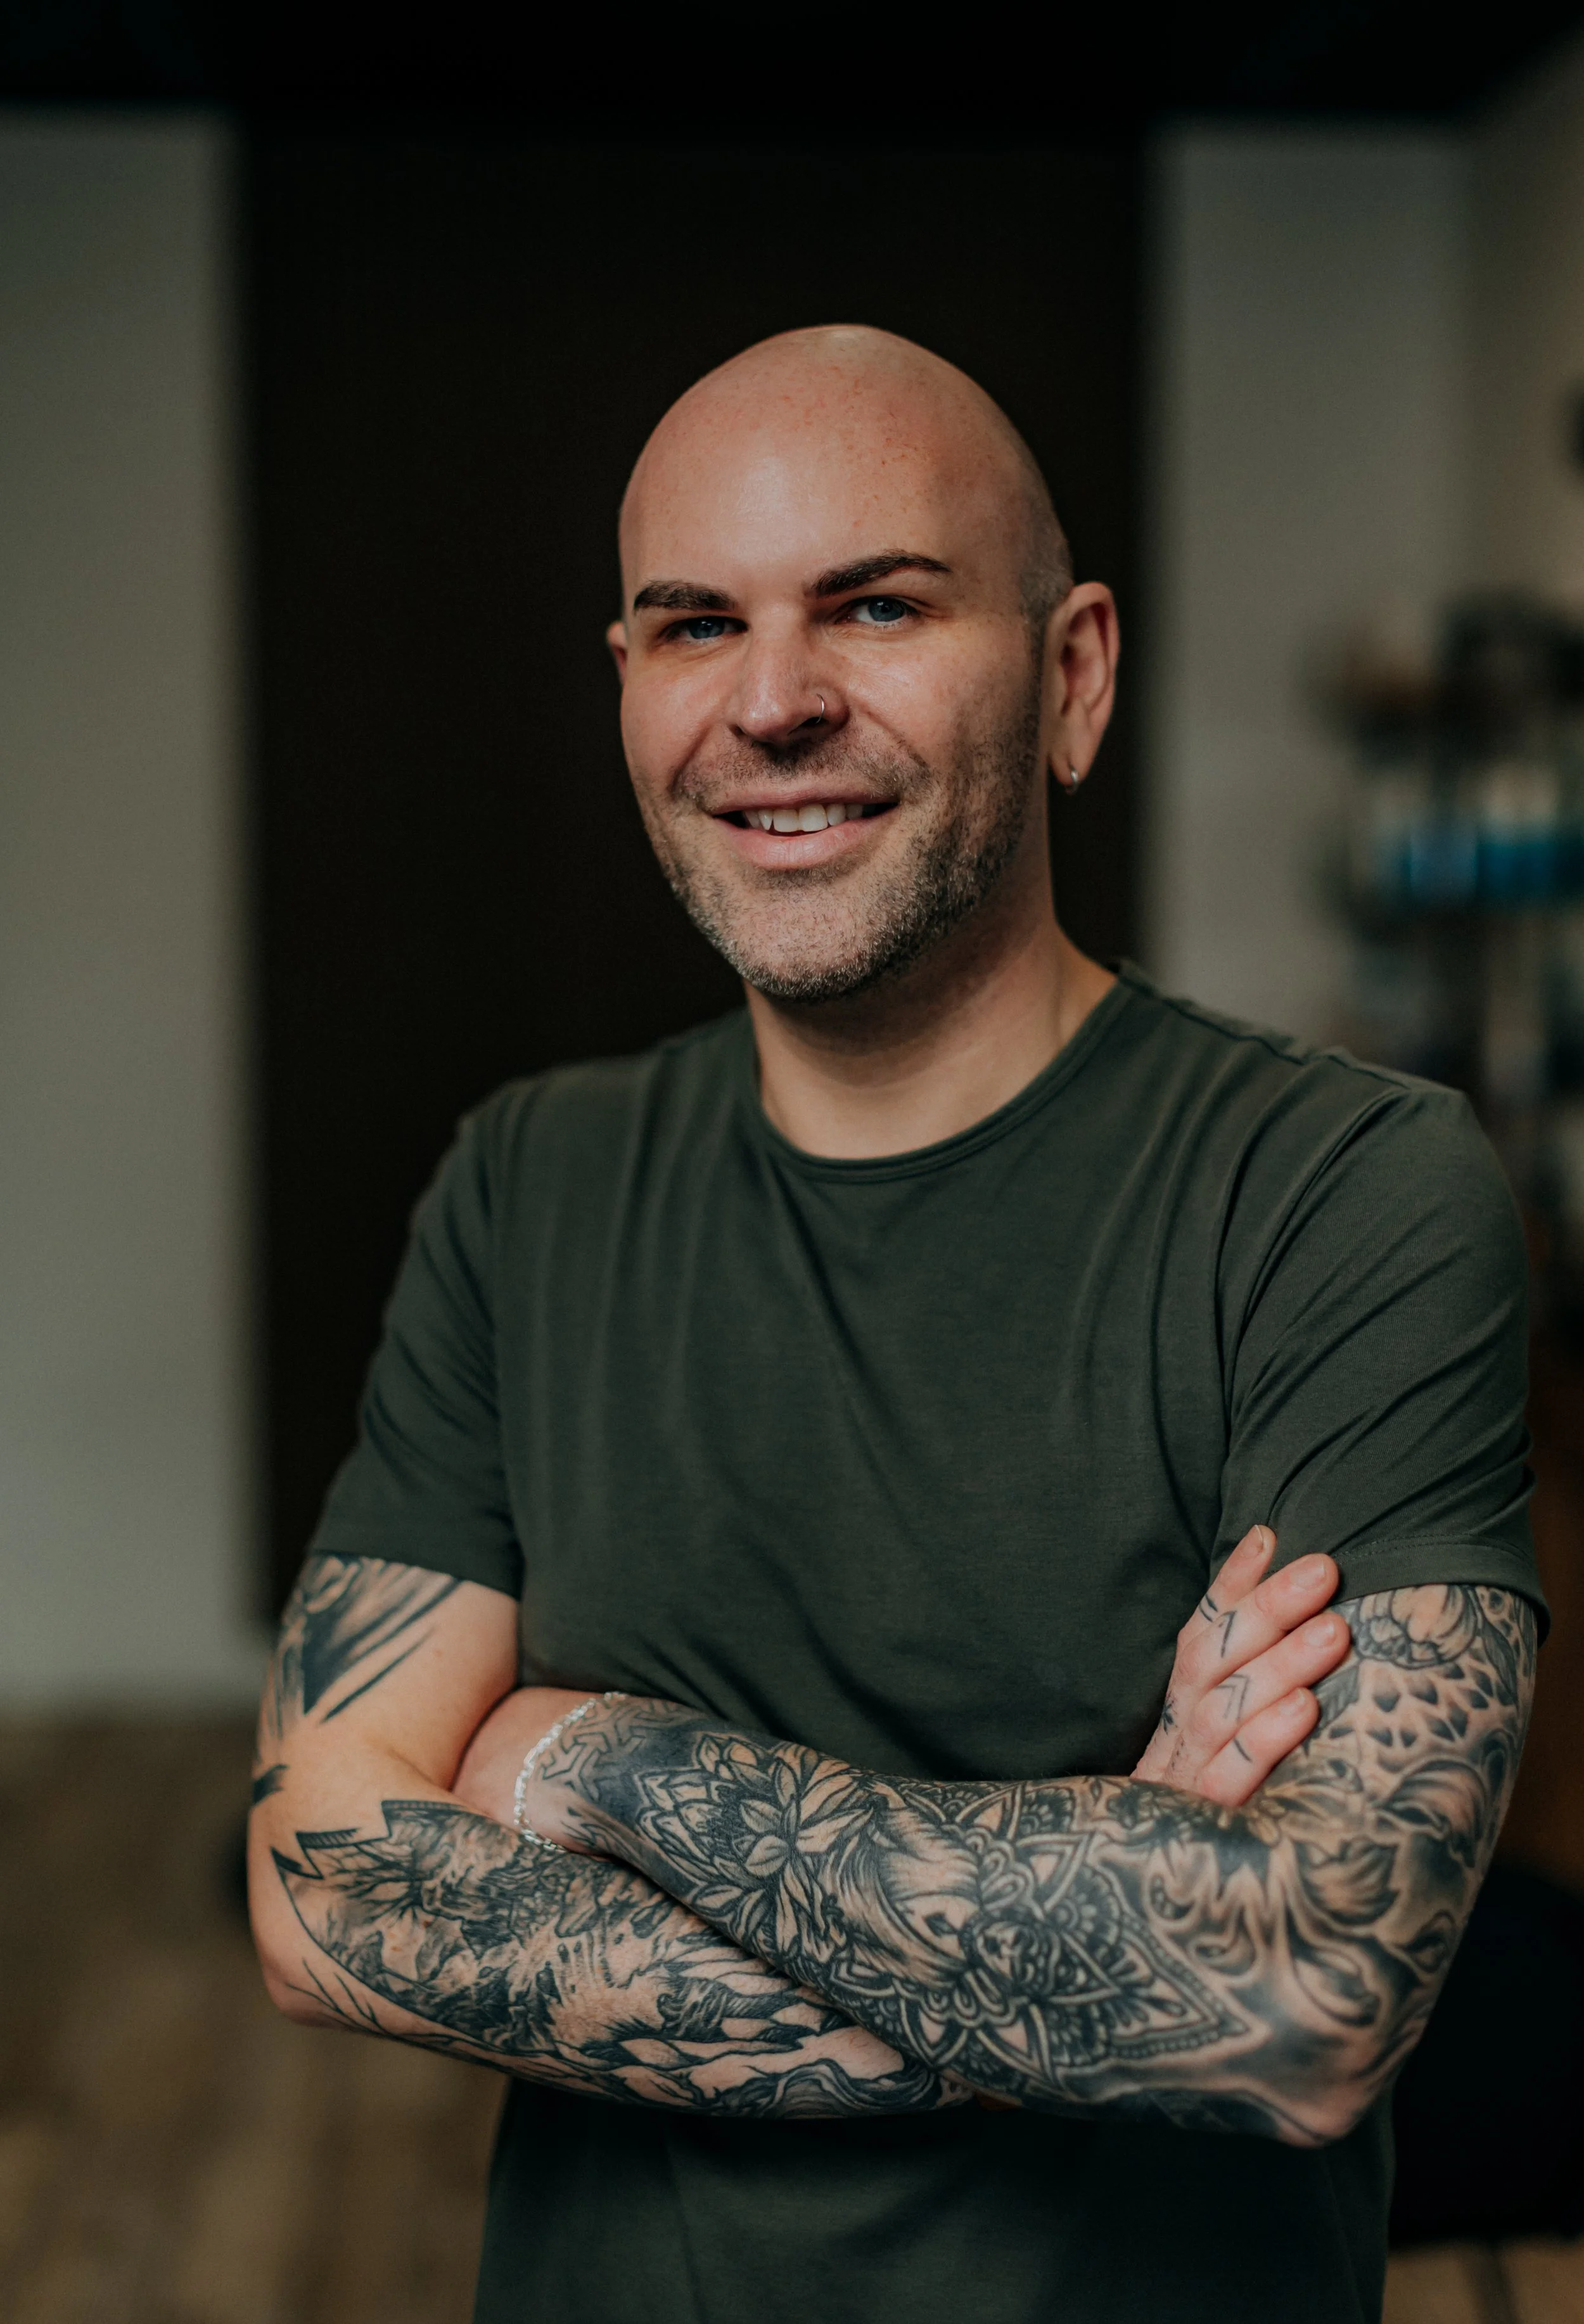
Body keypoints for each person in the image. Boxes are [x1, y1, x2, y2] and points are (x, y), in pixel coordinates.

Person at [248, 326, 1543, 2324]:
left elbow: (1300, 1993)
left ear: (1073, 673)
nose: (771, 703)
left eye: (876, 604)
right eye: (694, 626)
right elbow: (322, 1890)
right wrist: (1108, 1921)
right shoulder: (529, 1182)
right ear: (628, 689)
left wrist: (589, 1759)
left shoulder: (1340, 1192)